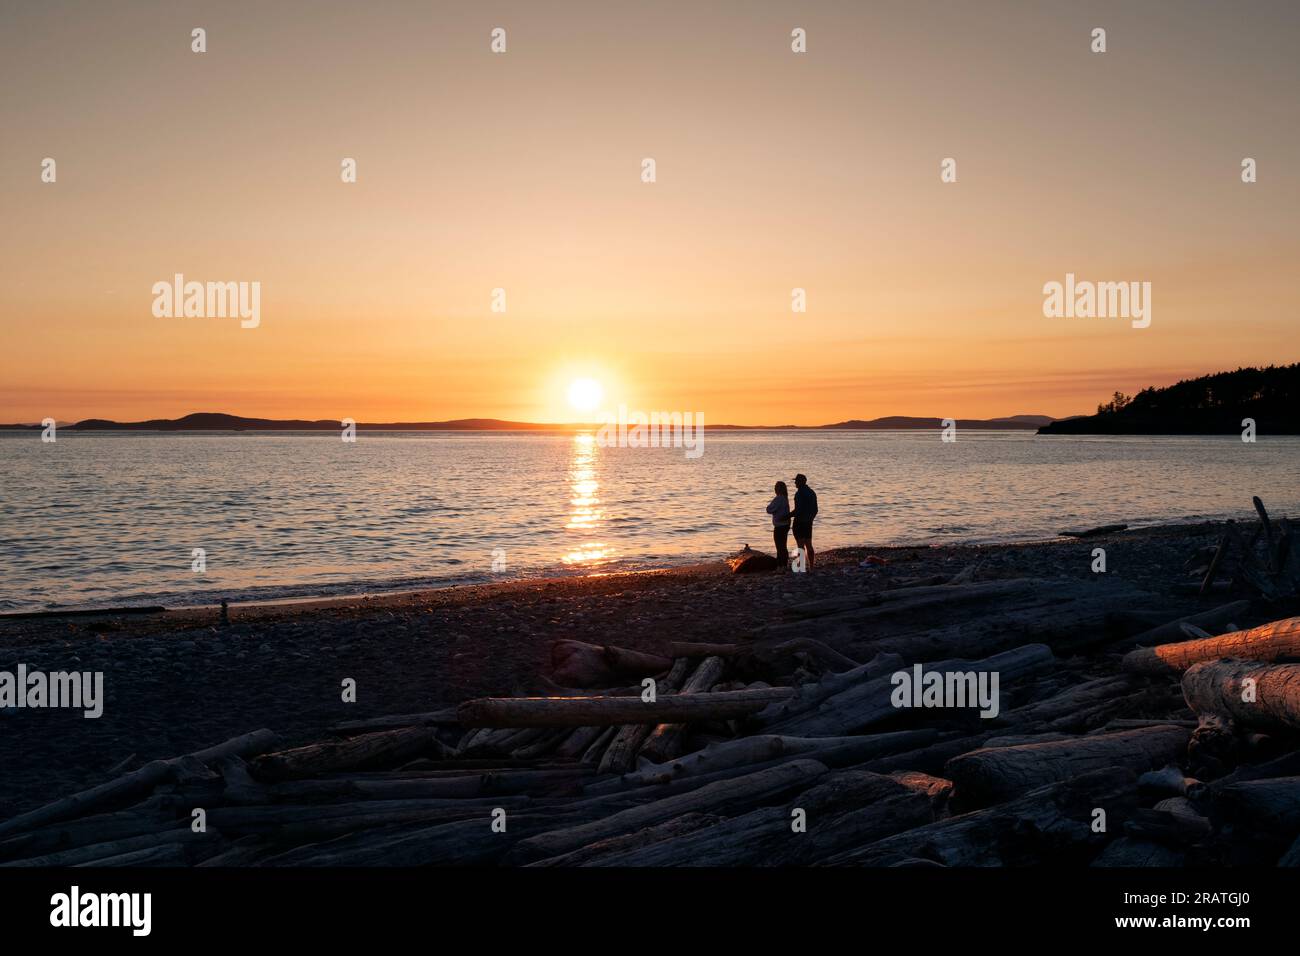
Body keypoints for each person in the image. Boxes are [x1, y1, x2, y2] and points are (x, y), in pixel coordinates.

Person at [790, 473, 818, 571]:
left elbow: (798, 510)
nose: (795, 483)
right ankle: (811, 567)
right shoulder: (812, 492)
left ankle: (801, 567)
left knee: (800, 545)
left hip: (799, 522)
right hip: (808, 522)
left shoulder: (799, 494)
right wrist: (811, 518)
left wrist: (787, 515)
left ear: (800, 482)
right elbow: (815, 510)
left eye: (796, 481)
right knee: (809, 544)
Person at [766, 481, 791, 569]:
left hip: (780, 525)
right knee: (783, 545)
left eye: (776, 487)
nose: (774, 489)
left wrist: (772, 509)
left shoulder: (778, 498)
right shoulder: (785, 498)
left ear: (778, 489)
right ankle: (784, 564)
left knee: (779, 546)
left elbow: (769, 509)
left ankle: (781, 565)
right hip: (785, 525)